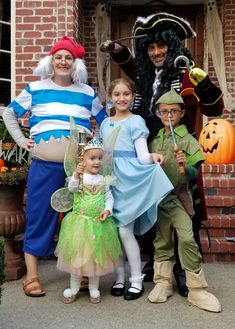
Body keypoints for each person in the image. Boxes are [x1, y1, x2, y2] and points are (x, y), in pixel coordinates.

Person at [100, 12, 224, 295]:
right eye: (150, 47)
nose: (155, 52)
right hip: (146, 154)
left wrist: (202, 80)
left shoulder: (186, 74)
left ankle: (182, 269)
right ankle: (157, 264)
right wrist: (119, 51)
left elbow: (215, 110)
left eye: (161, 47)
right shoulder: (145, 76)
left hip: (178, 153)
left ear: (172, 46)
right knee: (148, 210)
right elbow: (131, 66)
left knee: (184, 212)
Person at [2, 36, 108, 297]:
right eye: (59, 57)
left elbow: (104, 122)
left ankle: (83, 272)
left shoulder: (87, 92)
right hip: (45, 165)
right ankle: (33, 276)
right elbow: (8, 113)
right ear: (51, 60)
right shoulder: (35, 88)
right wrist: (20, 139)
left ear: (75, 63)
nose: (63, 61)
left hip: (80, 169)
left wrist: (97, 153)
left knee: (83, 218)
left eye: (68, 58)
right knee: (39, 214)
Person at [147, 88, 221, 312]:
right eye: (164, 111)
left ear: (181, 113)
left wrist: (184, 165)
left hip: (179, 198)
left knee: (187, 239)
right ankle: (162, 282)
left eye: (173, 111)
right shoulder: (155, 140)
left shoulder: (187, 139)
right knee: (162, 241)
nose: (168, 116)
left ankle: (197, 289)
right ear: (158, 114)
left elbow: (194, 172)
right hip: (160, 199)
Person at [99, 77, 173, 300]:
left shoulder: (136, 121)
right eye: (117, 94)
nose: (121, 98)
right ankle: (119, 278)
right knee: (112, 231)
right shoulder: (105, 123)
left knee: (124, 230)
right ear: (110, 97)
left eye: (126, 94)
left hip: (129, 181)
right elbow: (102, 154)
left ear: (133, 96)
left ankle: (136, 279)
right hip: (109, 179)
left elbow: (141, 155)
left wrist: (153, 157)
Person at [55, 138, 121, 304]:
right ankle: (74, 288)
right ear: (82, 160)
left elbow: (109, 197)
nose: (97, 161)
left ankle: (93, 288)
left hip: (98, 224)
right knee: (77, 257)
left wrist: (107, 210)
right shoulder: (79, 178)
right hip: (79, 225)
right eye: (92, 158)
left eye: (99, 158)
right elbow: (72, 188)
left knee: (96, 258)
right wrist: (76, 174)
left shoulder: (104, 180)